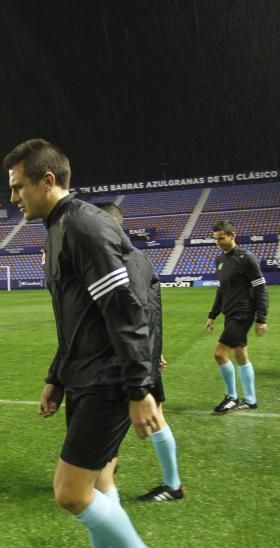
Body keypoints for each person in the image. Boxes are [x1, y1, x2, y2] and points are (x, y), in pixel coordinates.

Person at [3, 139, 168, 548]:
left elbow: (125, 311)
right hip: (85, 375)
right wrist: (56, 377)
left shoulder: (84, 227)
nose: (14, 198)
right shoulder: (60, 229)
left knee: (70, 493)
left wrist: (139, 389)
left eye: (18, 187)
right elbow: (79, 319)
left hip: (109, 380)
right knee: (99, 484)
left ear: (47, 181)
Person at [97, 203, 183, 502]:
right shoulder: (140, 259)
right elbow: (153, 311)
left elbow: (131, 315)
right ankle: (172, 484)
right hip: (144, 352)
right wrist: (154, 350)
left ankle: (101, 482)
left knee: (108, 420)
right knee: (156, 414)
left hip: (129, 358)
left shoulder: (120, 261)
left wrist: (142, 355)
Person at [205, 220, 269, 413]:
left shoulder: (246, 258)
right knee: (241, 355)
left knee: (219, 354)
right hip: (230, 313)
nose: (218, 243)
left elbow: (261, 289)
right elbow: (221, 290)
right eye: (215, 239)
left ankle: (232, 397)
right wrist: (212, 315)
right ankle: (250, 400)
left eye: (222, 238)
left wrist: (261, 318)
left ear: (233, 236)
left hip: (242, 314)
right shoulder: (220, 260)